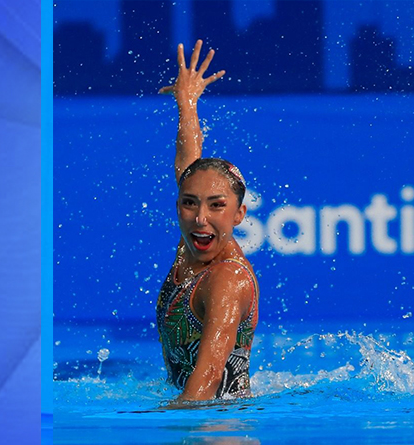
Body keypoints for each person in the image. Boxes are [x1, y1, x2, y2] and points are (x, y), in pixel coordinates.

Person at [155, 40, 259, 402]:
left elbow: (212, 374)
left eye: (217, 206)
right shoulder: (193, 239)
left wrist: (163, 422)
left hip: (220, 426)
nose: (201, 218)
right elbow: (189, 164)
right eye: (189, 203)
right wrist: (187, 103)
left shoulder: (227, 279)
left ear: (239, 214)